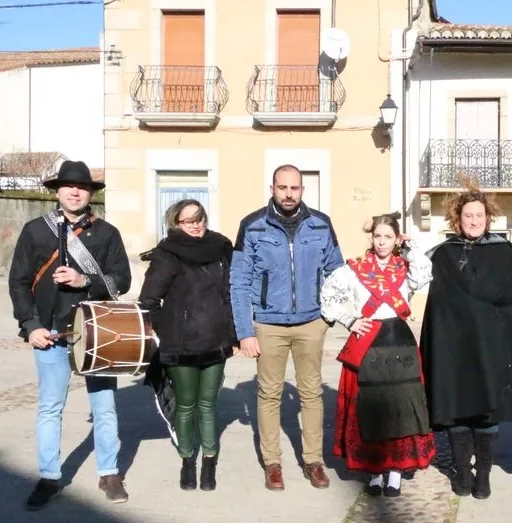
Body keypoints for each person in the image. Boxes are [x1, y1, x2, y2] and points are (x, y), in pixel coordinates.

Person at [7, 160, 132, 510]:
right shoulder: (35, 230)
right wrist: (31, 325)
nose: (75, 192)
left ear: (90, 193)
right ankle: (49, 477)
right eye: (68, 186)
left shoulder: (107, 233)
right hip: (49, 331)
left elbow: (122, 281)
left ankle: (109, 473)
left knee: (104, 407)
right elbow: (18, 283)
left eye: (82, 187)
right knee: (50, 407)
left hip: (96, 331)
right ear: (57, 191)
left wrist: (84, 280)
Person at [419, 180, 512, 500]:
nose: (474, 221)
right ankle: (463, 471)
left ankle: (484, 474)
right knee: (456, 409)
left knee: (487, 412)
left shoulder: (504, 253)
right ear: (457, 219)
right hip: (454, 348)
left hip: (491, 347)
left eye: (479, 215)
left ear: (487, 218)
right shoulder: (444, 255)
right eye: (468, 215)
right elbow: (437, 305)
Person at [230, 164, 344, 491]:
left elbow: (337, 273)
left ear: (302, 191)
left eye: (294, 188)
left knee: (312, 393)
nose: (289, 194)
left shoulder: (320, 224)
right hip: (269, 325)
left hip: (311, 323)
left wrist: (329, 316)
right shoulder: (252, 226)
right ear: (272, 189)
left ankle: (313, 461)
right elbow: (239, 281)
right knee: (269, 394)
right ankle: (273, 463)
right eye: (283, 188)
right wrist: (245, 332)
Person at [319, 212, 436, 497]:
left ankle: (395, 471)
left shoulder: (405, 268)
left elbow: (425, 273)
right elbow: (328, 295)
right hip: (368, 341)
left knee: (400, 407)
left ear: (396, 239)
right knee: (369, 408)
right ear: (371, 238)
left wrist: (411, 246)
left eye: (388, 237)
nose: (382, 242)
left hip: (399, 343)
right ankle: (373, 471)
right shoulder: (354, 269)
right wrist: (350, 320)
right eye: (377, 236)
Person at [139, 199, 236, 492]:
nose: (196, 225)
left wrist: (232, 333)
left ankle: (209, 460)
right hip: (180, 345)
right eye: (188, 221)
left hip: (216, 340)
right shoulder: (167, 253)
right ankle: (187, 460)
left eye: (199, 218)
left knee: (208, 405)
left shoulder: (221, 247)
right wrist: (168, 329)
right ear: (176, 223)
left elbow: (232, 293)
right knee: (186, 405)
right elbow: (148, 300)